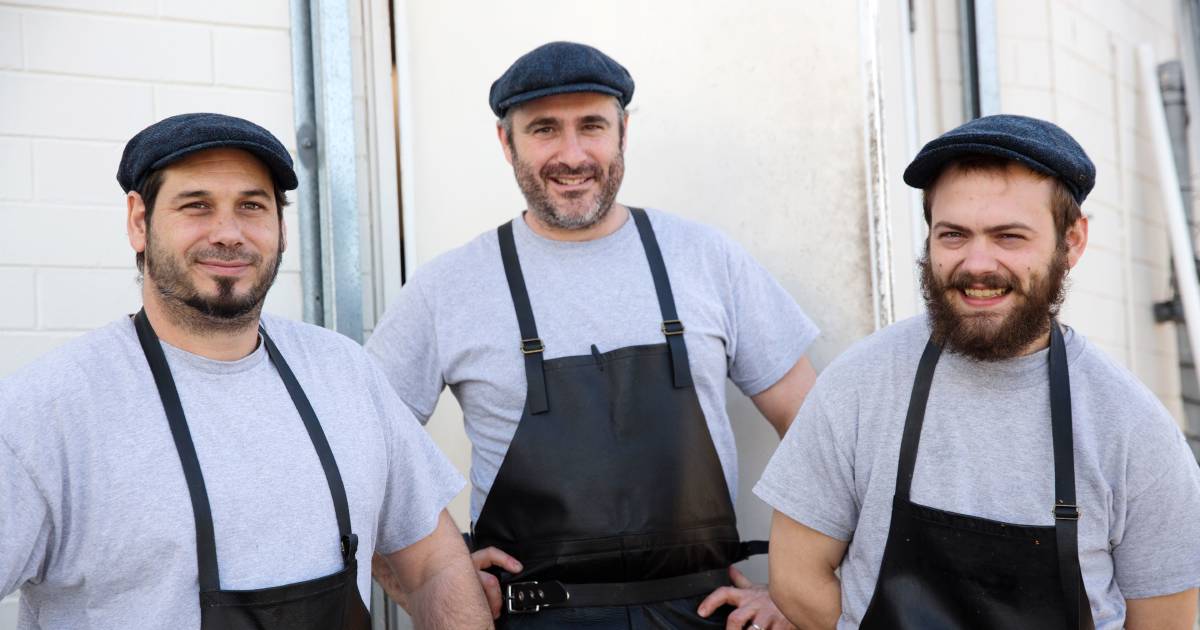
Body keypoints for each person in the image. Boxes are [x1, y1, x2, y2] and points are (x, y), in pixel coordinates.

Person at [366, 41, 819, 628]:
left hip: (704, 614)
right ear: (507, 143)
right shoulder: (447, 288)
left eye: (592, 126)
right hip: (532, 618)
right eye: (545, 129)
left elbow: (819, 434)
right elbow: (357, 459)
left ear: (623, 132)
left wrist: (793, 589)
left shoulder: (706, 260)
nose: (572, 154)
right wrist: (436, 583)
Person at [0, 113, 492, 629]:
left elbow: (434, 566)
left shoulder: (346, 374)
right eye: (197, 206)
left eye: (252, 206)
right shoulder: (45, 413)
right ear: (139, 222)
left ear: (281, 228)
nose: (229, 234)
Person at [756, 114, 1200, 630]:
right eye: (953, 235)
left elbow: (1165, 621)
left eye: (1009, 236)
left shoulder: (1131, 427)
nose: (977, 263)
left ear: (1072, 241)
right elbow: (794, 574)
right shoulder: (859, 383)